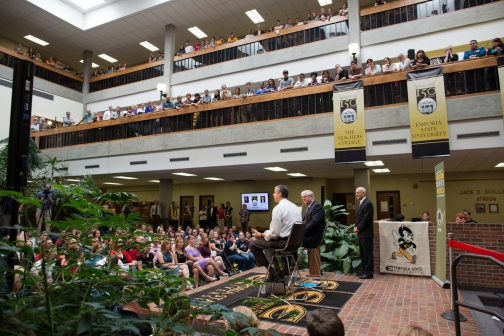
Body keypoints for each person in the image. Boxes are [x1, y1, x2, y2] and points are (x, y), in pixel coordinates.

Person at [249, 185, 302, 281]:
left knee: (253, 244)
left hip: (283, 243)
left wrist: (261, 235)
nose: (273, 194)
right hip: (294, 244)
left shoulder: (278, 208)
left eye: (274, 192)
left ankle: (274, 273)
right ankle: (277, 271)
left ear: (280, 194)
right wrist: (264, 234)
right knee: (267, 246)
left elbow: (274, 233)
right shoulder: (295, 207)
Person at [354, 187, 374, 279]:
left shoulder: (368, 203)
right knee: (363, 254)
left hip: (366, 233)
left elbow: (366, 219)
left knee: (367, 254)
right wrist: (356, 226)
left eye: (358, 193)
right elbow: (359, 218)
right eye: (356, 193)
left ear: (363, 193)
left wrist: (358, 228)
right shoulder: (361, 203)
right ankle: (365, 270)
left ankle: (369, 273)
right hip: (361, 233)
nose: (356, 194)